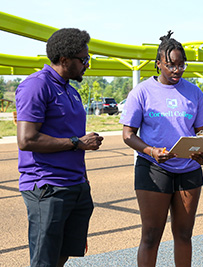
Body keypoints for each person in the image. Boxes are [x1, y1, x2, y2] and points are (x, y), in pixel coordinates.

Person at [120, 31, 203, 267]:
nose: (177, 70)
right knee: (151, 236)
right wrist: (151, 151)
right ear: (158, 63)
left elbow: (202, 132)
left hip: (189, 169)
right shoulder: (141, 92)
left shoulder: (193, 92)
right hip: (153, 168)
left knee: (184, 234)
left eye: (181, 65)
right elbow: (128, 135)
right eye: (171, 65)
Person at [15, 28, 103, 267]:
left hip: (75, 186)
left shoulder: (71, 91)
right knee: (44, 261)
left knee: (62, 256)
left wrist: (83, 181)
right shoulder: (36, 86)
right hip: (47, 188)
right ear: (65, 60)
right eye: (84, 60)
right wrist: (77, 142)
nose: (87, 65)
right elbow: (27, 140)